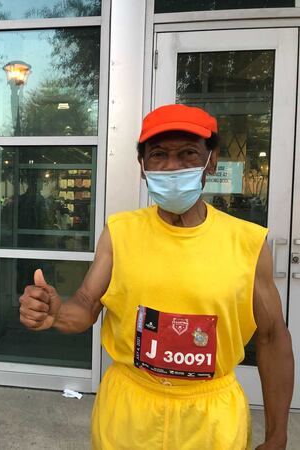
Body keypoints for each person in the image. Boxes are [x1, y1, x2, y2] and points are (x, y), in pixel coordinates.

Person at [19, 104, 293, 449]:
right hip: (129, 414)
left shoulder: (248, 243)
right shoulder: (120, 233)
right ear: (143, 166)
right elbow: (86, 305)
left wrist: (277, 434)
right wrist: (55, 312)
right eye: (159, 155)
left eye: (188, 153)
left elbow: (273, 338)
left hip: (211, 421)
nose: (172, 166)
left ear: (212, 160)